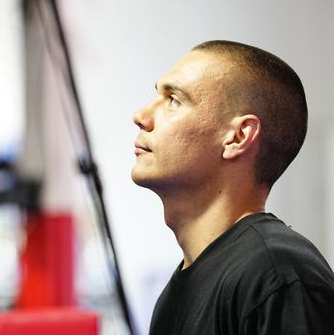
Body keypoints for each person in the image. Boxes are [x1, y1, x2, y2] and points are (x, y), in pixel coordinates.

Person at [132, 40, 334, 335]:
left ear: (238, 137)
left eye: (174, 99)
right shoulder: (173, 298)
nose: (142, 116)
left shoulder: (277, 277)